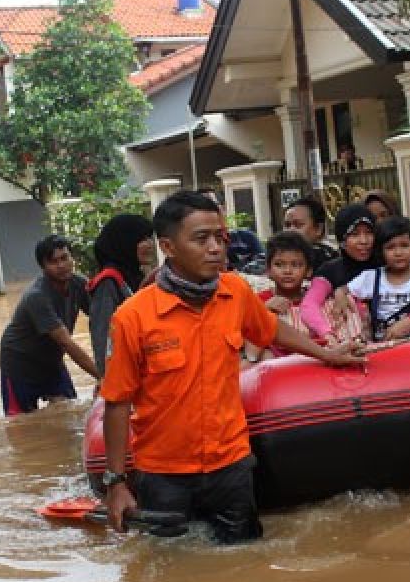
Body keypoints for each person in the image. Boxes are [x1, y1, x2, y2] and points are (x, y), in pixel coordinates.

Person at [99, 190, 364, 542]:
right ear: (168, 246)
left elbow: (272, 330)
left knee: (243, 564)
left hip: (231, 465)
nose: (216, 248)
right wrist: (116, 483)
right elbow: (116, 403)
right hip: (165, 475)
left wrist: (328, 353)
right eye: (201, 238)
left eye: (219, 237)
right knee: (171, 574)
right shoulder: (132, 317)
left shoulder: (234, 292)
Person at [301, 204, 410, 345]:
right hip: (351, 349)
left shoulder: (389, 263)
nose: (364, 241)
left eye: (369, 233)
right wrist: (327, 334)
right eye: (354, 234)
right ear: (341, 240)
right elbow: (309, 305)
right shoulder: (330, 271)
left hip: (408, 344)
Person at [0, 235, 99, 415]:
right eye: (53, 262)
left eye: (65, 258)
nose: (61, 265)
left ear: (72, 258)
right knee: (20, 425)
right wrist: (103, 377)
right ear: (43, 267)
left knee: (68, 411)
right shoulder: (37, 296)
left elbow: (102, 319)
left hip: (52, 361)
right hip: (19, 365)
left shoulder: (79, 284)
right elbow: (66, 343)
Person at [338, 216, 410, 343]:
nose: (398, 253)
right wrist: (340, 295)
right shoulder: (371, 278)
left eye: (404, 246)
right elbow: (343, 290)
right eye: (390, 247)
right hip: (386, 350)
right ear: (381, 251)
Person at [87, 214, 155, 376]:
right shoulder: (108, 281)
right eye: (142, 239)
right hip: (123, 374)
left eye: (150, 238)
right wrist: (108, 380)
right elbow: (102, 337)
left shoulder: (136, 275)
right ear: (126, 242)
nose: (150, 244)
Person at [245, 230, 316, 363]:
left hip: (313, 366)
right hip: (274, 372)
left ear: (308, 271)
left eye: (295, 265)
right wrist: (265, 312)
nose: (287, 271)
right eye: (279, 264)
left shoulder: (315, 300)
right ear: (268, 270)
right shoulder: (259, 301)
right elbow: (251, 355)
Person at [283, 196, 339, 270]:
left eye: (298, 225)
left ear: (319, 228)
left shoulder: (330, 263)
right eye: (287, 225)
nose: (291, 230)